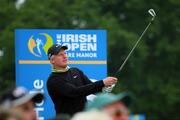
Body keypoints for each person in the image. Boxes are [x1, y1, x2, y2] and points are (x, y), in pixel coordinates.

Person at [46, 44, 118, 116]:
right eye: (60, 54)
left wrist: (104, 88)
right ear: (52, 60)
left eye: (65, 53)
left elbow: (92, 88)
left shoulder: (75, 71)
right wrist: (102, 83)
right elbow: (75, 92)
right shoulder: (53, 80)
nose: (64, 56)